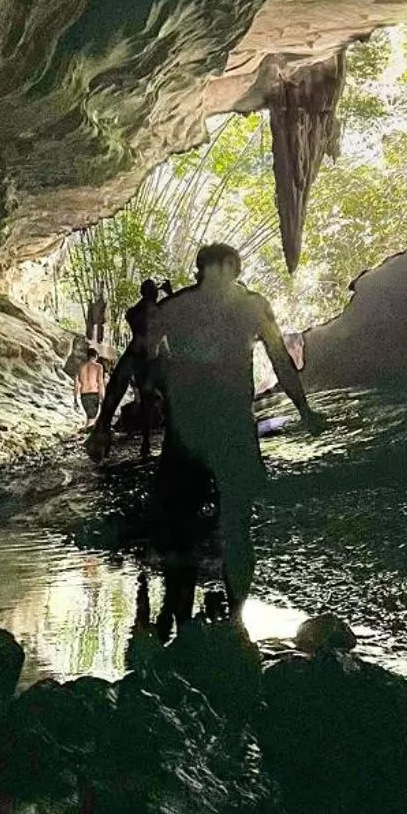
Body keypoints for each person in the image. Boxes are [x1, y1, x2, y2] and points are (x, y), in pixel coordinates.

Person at [91, 243, 325, 611]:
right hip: (231, 428)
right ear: (232, 266)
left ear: (199, 268)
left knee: (184, 529)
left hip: (188, 430)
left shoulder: (177, 307)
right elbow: (280, 360)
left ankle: (188, 622)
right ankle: (234, 618)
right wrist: (304, 410)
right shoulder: (251, 307)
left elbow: (129, 364)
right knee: (236, 527)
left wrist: (103, 423)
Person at [125, 278, 164, 463]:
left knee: (145, 400)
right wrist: (170, 294)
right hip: (154, 359)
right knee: (166, 398)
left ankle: (146, 442)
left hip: (138, 359)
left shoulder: (132, 313)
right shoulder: (156, 311)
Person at [74, 346, 107, 424]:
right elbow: (100, 382)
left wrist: (75, 398)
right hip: (94, 394)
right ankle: (87, 434)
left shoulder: (80, 367)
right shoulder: (98, 366)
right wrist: (102, 397)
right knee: (91, 419)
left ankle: (86, 433)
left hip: (83, 394)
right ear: (96, 356)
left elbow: (76, 383)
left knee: (89, 417)